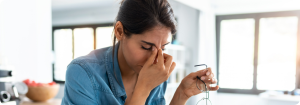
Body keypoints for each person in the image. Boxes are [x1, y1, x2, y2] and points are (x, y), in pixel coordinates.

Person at [61, 0, 219, 105]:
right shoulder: (82, 72)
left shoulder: (156, 70)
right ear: (119, 31)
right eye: (146, 46)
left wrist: (182, 93)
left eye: (163, 47)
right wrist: (143, 88)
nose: (155, 58)